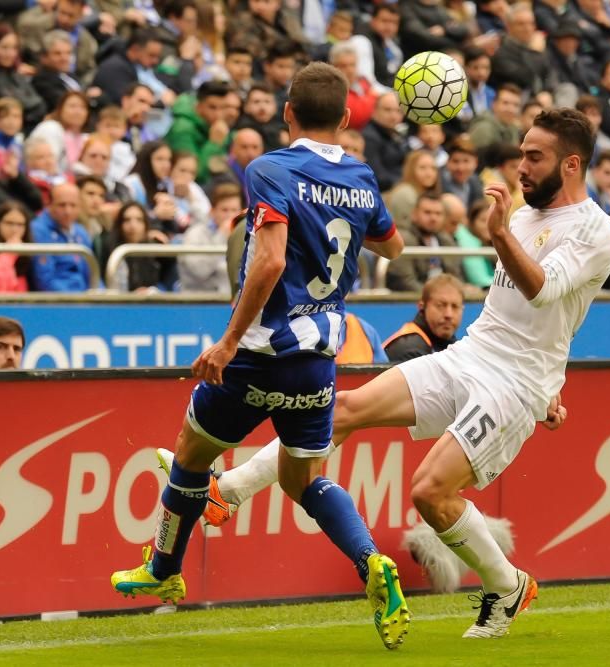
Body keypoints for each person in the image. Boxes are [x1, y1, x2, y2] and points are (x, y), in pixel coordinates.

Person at [191, 108, 610, 640]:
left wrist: (503, 242)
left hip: (516, 385)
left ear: (571, 164)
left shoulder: (595, 230)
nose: (522, 167)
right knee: (342, 410)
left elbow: (545, 292)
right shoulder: (525, 216)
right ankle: (226, 491)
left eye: (535, 157)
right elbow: (530, 315)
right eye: (523, 154)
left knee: (431, 493)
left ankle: (507, 585)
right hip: (473, 354)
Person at [109, 62, 411, 651]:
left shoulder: (269, 169)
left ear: (287, 113)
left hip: (257, 353)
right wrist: (340, 214)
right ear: (347, 119)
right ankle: (371, 560)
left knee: (191, 456)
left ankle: (163, 570)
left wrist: (225, 343)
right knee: (305, 480)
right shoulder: (362, 176)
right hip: (319, 358)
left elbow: (269, 262)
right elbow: (393, 247)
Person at [0, 26, 47, 131]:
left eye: (14, 48)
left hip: (26, 126)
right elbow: (11, 105)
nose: (10, 53)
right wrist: (31, 111)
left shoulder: (16, 74)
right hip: (0, 130)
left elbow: (40, 103)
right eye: (4, 47)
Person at [384, 274, 465, 362]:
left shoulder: (449, 344)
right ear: (422, 306)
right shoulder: (409, 348)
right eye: (440, 305)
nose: (448, 314)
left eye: (455, 306)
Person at [30, 182, 93, 292]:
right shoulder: (38, 230)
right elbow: (44, 280)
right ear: (49, 204)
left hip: (83, 298)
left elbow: (92, 274)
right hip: (56, 303)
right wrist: (77, 300)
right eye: (62, 205)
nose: (68, 211)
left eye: (73, 205)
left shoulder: (80, 232)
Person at [179, 181, 239, 292]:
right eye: (224, 210)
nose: (230, 216)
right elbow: (200, 271)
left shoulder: (244, 236)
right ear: (212, 211)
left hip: (231, 302)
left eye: (234, 210)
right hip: (199, 302)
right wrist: (222, 235)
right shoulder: (195, 234)